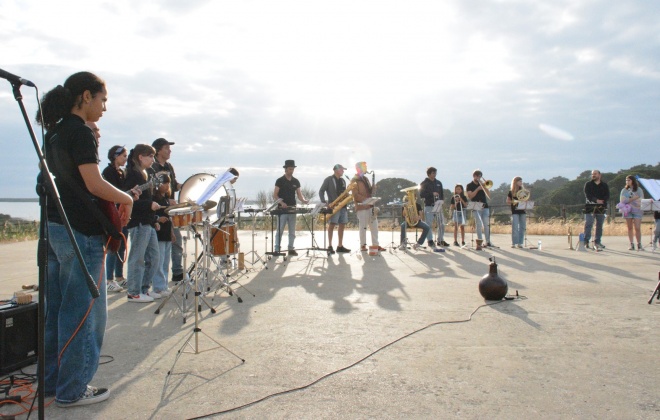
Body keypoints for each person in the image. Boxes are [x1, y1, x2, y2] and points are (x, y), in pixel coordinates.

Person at [38, 71, 133, 406]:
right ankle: (72, 390)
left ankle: (51, 383)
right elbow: (93, 184)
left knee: (57, 311)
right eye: (103, 99)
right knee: (85, 315)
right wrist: (127, 198)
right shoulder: (79, 132)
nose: (104, 108)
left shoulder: (55, 132)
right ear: (86, 96)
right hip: (79, 232)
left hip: (54, 228)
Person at [124, 144, 161, 302]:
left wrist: (154, 219)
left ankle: (144, 289)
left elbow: (147, 199)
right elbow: (126, 199)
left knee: (154, 257)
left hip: (148, 221)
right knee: (137, 258)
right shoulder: (131, 174)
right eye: (150, 156)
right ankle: (133, 291)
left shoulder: (146, 173)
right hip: (138, 222)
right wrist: (148, 206)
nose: (153, 159)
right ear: (140, 156)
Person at [151, 138, 183, 282]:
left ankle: (177, 272)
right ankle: (156, 279)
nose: (169, 150)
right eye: (166, 148)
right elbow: (152, 190)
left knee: (176, 240)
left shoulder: (169, 166)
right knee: (159, 248)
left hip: (171, 210)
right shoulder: (152, 167)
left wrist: (188, 186)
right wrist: (164, 200)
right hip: (158, 210)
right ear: (158, 150)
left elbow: (174, 185)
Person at [101, 143, 128, 292]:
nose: (125, 159)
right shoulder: (108, 172)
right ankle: (108, 278)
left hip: (121, 213)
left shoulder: (121, 173)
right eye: (123, 156)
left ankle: (119, 276)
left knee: (122, 246)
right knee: (113, 246)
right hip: (112, 213)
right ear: (115, 156)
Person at [273, 160, 309, 256]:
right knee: (280, 230)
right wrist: (281, 202)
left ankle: (291, 248)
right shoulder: (280, 180)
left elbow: (299, 195)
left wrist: (304, 201)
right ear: (285, 169)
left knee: (292, 230)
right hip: (282, 209)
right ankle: (277, 248)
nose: (291, 171)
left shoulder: (296, 181)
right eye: (290, 169)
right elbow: (275, 195)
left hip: (292, 209)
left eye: (293, 169)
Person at [318, 164, 351, 254]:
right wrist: (325, 202)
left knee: (342, 225)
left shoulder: (343, 180)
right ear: (336, 170)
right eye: (342, 170)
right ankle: (330, 245)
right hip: (333, 206)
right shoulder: (328, 179)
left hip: (343, 206)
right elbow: (321, 191)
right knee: (332, 225)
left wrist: (347, 194)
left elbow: (343, 193)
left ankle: (340, 246)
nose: (343, 171)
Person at [352, 162, 385, 252]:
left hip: (370, 206)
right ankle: (363, 245)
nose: (366, 168)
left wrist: (373, 188)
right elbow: (355, 195)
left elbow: (369, 191)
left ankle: (376, 245)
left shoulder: (365, 179)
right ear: (359, 169)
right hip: (362, 207)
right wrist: (366, 200)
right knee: (363, 227)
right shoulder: (354, 180)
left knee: (374, 226)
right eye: (364, 167)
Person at [153, 175, 174, 295]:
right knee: (159, 261)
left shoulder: (166, 198)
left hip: (166, 233)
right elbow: (152, 215)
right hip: (159, 233)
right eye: (164, 183)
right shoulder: (154, 198)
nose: (167, 186)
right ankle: (158, 287)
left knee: (166, 262)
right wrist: (157, 219)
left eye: (168, 183)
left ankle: (164, 285)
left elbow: (170, 218)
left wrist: (172, 232)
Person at [420, 167, 450, 247]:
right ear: (429, 174)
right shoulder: (424, 183)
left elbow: (442, 194)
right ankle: (430, 240)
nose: (434, 174)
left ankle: (440, 240)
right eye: (433, 173)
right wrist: (431, 194)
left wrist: (442, 201)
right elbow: (421, 195)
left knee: (441, 223)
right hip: (429, 205)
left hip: (438, 205)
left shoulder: (439, 183)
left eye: (435, 173)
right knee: (428, 224)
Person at [583, 169, 610, 250]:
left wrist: (603, 201)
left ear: (599, 175)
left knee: (599, 224)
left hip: (601, 206)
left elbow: (607, 195)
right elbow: (587, 195)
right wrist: (596, 200)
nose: (593, 175)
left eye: (595, 174)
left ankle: (597, 241)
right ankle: (586, 241)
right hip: (590, 205)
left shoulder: (604, 185)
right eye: (592, 174)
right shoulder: (588, 184)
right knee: (588, 223)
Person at [466, 169, 492, 247]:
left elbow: (489, 196)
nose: (479, 178)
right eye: (477, 176)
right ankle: (479, 241)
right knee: (479, 224)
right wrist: (477, 189)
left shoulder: (483, 184)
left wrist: (485, 187)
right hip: (476, 205)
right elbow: (470, 196)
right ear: (474, 176)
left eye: (480, 176)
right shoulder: (469, 185)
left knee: (486, 224)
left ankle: (488, 241)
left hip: (485, 206)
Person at [620, 175, 644, 250]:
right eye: (626, 180)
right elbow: (623, 201)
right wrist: (633, 198)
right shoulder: (624, 190)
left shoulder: (639, 189)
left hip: (637, 210)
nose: (627, 181)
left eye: (629, 180)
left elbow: (640, 200)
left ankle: (639, 244)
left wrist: (630, 200)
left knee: (637, 227)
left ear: (633, 181)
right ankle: (631, 244)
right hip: (628, 210)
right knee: (630, 227)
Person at [506, 176, 527, 248]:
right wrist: (514, 201)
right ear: (515, 182)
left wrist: (525, 200)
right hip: (515, 211)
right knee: (515, 227)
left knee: (522, 227)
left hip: (522, 211)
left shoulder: (523, 191)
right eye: (519, 181)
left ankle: (520, 243)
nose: (521, 182)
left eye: (521, 181)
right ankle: (514, 242)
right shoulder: (511, 192)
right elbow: (507, 201)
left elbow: (525, 199)